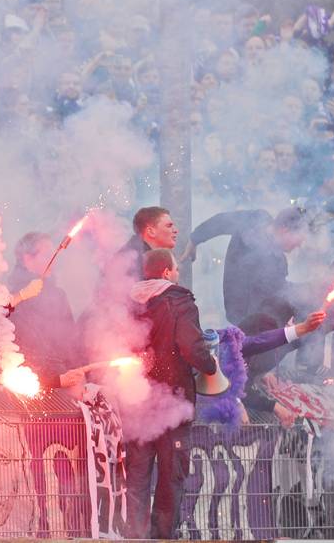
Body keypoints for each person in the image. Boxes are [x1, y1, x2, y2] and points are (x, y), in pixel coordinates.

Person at [123, 249, 217, 540]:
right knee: (170, 479)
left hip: (136, 401)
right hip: (172, 402)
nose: (177, 274)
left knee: (137, 478)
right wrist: (211, 366)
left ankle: (134, 537)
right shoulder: (179, 301)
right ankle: (163, 538)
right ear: (166, 272)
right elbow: (192, 347)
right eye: (175, 269)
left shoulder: (127, 302)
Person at [186, 206, 307, 326]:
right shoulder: (256, 223)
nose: (298, 245)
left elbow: (280, 292)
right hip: (248, 324)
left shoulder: (256, 220)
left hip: (245, 318)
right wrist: (194, 238)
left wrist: (195, 238)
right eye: (298, 239)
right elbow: (222, 221)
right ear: (284, 229)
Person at [5, 232, 82, 377]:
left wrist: (77, 373)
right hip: (30, 378)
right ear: (27, 259)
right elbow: (25, 348)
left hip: (63, 376)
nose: (53, 260)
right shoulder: (13, 299)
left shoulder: (58, 295)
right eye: (46, 255)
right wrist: (56, 377)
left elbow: (71, 341)